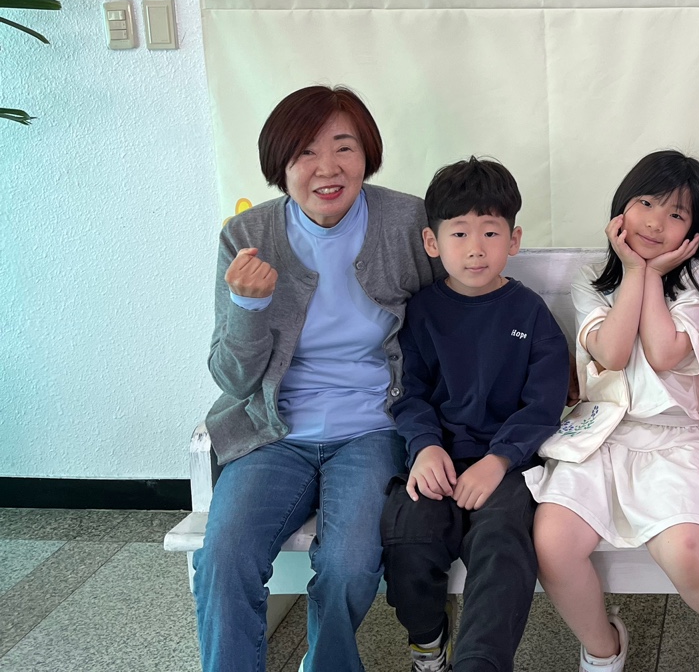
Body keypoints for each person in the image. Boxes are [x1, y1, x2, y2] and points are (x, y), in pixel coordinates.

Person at [194, 85, 437, 672]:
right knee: (224, 557)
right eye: (305, 152)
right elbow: (231, 377)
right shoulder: (246, 236)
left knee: (350, 563)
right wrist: (248, 307)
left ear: (367, 154)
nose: (328, 168)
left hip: (374, 428)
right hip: (272, 430)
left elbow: (447, 320)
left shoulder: (407, 220)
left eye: (344, 147)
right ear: (280, 165)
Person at [525, 150, 699, 672]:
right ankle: (603, 649)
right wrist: (634, 270)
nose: (654, 222)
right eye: (645, 203)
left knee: (687, 550)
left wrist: (652, 275)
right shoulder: (591, 278)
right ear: (621, 207)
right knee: (552, 543)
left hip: (679, 440)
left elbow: (665, 353)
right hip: (598, 436)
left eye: (676, 213)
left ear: (694, 230)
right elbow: (611, 352)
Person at [381, 157, 570, 672]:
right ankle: (428, 641)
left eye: (490, 232)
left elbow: (545, 404)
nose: (475, 248)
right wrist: (425, 447)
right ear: (432, 241)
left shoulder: (529, 313)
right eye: (459, 233)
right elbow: (408, 393)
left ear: (514, 239)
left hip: (507, 466)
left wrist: (499, 460)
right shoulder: (421, 313)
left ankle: (481, 662)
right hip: (436, 460)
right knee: (409, 534)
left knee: (503, 544)